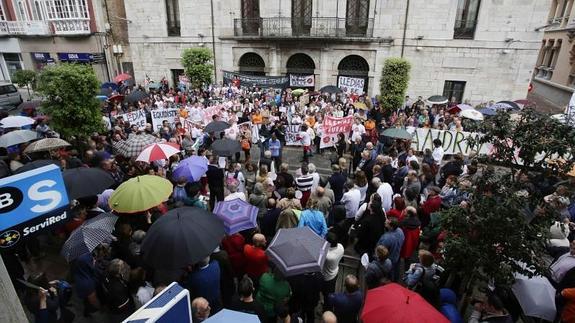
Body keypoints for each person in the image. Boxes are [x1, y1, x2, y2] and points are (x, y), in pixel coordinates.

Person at [321, 232, 344, 305]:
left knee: (326, 294)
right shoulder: (341, 247)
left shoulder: (327, 255)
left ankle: (327, 307)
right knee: (331, 290)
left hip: (326, 278)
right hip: (335, 272)